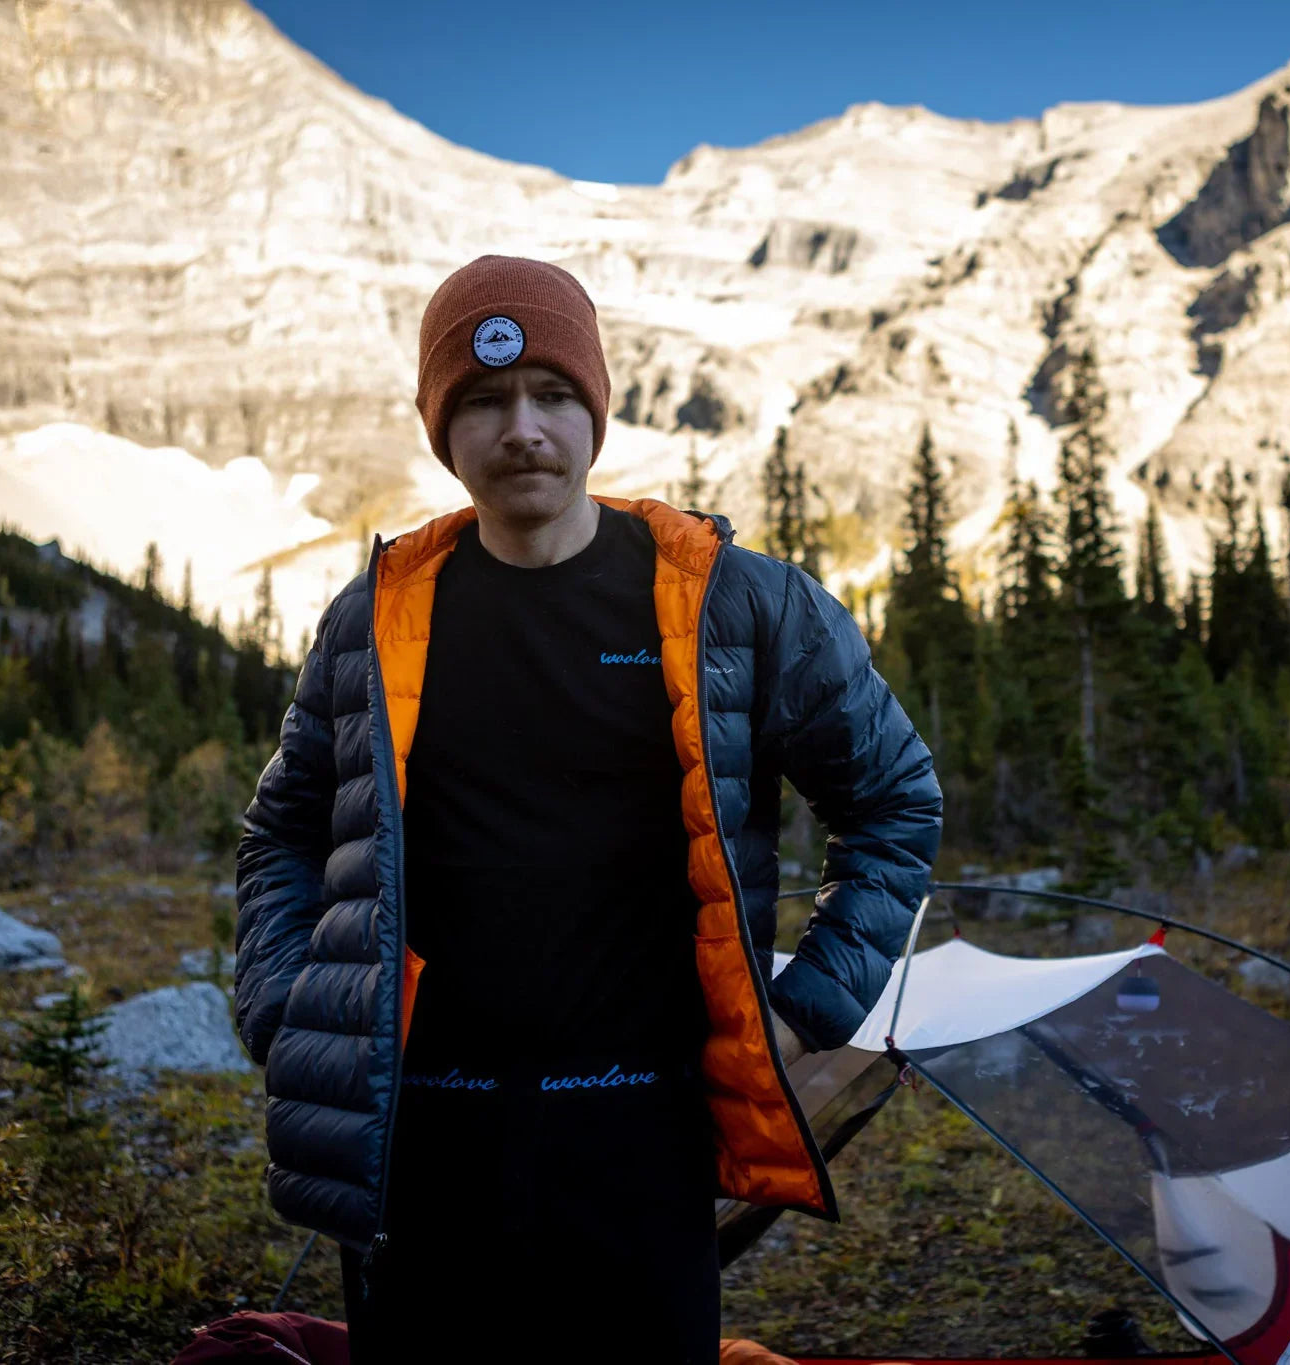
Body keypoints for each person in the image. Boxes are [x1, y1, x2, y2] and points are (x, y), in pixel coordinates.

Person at [234, 254, 943, 1363]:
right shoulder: (375, 618)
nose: (524, 428)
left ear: (596, 411)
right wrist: (287, 1010)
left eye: (554, 394)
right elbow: (285, 827)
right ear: (440, 426)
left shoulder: (736, 605)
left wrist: (804, 1009)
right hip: (424, 1135)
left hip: (640, 1133)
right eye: (483, 399)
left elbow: (894, 799)